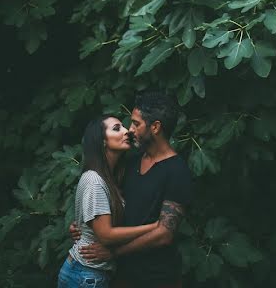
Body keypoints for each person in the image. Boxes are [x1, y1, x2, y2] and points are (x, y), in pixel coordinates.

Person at [73, 92, 193, 288]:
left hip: (157, 277)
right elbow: (108, 204)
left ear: (155, 127)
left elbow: (165, 234)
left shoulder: (177, 171)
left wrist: (114, 252)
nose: (130, 130)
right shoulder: (131, 162)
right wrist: (84, 227)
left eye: (136, 124)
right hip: (122, 274)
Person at [58, 115, 160, 288]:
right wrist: (156, 226)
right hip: (86, 275)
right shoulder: (95, 181)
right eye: (116, 128)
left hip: (90, 274)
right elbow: (106, 235)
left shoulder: (113, 177)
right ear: (102, 141)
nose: (127, 131)